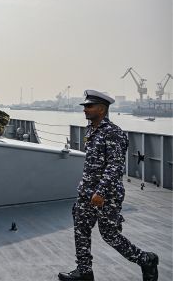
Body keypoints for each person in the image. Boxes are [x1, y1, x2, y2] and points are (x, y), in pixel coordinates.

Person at [58, 90, 159, 281]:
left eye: (89, 106)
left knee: (110, 235)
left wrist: (100, 192)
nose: (85, 110)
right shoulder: (91, 130)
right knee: (81, 229)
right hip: (86, 192)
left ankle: (146, 259)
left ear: (102, 110)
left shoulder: (114, 133)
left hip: (106, 195)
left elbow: (115, 166)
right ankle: (84, 272)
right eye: (85, 106)